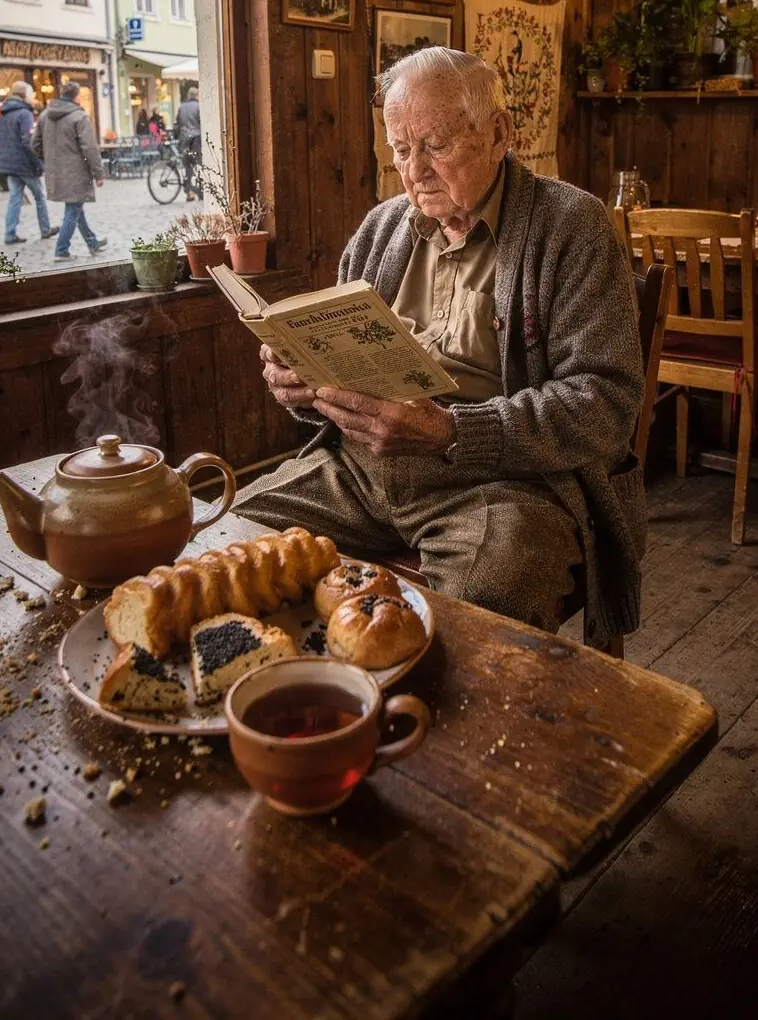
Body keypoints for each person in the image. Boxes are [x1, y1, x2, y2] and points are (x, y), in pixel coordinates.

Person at [234, 48, 646, 649]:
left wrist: (452, 433)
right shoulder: (381, 229)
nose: (414, 171)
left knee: (479, 614)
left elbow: (605, 403)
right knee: (231, 539)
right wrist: (302, 384)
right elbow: (342, 366)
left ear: (499, 133)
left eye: (436, 145)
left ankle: (429, 730)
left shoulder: (573, 227)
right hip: (359, 471)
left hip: (502, 485)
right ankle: (310, 702)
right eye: (401, 149)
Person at [32, 79, 107, 261]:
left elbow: (34, 144)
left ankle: (92, 242)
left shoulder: (44, 116)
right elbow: (89, 148)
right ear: (76, 96)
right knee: (73, 208)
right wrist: (98, 173)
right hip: (76, 171)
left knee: (75, 206)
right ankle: (61, 250)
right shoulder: (79, 117)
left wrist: (49, 160)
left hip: (55, 171)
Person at [0, 81, 59, 245]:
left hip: (9, 163)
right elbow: (28, 141)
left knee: (14, 198)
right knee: (39, 196)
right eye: (31, 93)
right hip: (25, 164)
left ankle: (10, 233)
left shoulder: (4, 113)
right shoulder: (24, 113)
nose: (33, 97)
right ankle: (45, 229)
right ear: (24, 95)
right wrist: (38, 163)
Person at [173, 85, 201, 201]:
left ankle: (189, 191)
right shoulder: (198, 107)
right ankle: (200, 191)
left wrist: (177, 137)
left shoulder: (182, 107)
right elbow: (201, 121)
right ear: (197, 95)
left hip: (184, 139)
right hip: (196, 139)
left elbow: (178, 123)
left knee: (187, 165)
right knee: (199, 164)